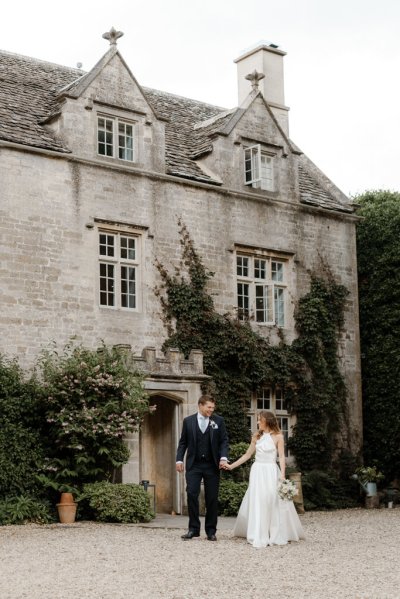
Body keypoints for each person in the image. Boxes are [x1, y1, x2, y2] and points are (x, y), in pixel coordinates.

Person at [223, 410, 304, 548]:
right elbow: (247, 455)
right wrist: (231, 466)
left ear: (267, 420)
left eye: (260, 419)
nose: (258, 422)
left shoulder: (278, 436)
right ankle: (258, 532)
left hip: (271, 471)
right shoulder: (256, 436)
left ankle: (273, 532)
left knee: (272, 500)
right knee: (258, 500)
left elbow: (282, 457)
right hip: (258, 471)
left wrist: (283, 475)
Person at [176, 395, 229, 541]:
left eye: (213, 408)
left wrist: (223, 457)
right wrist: (179, 459)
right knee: (192, 494)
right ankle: (193, 529)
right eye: (208, 407)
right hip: (194, 464)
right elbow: (183, 443)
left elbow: (224, 441)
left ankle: (211, 531)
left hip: (212, 465)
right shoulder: (188, 421)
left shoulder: (219, 421)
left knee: (211, 498)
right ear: (200, 405)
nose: (211, 410)